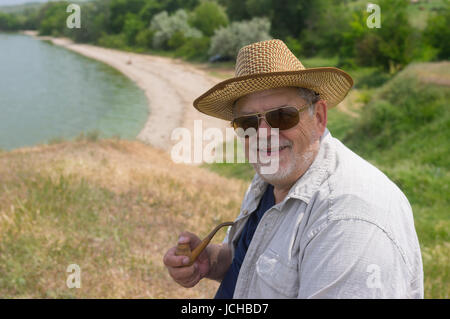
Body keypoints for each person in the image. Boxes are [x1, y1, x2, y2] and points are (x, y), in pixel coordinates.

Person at [163, 39, 423, 298]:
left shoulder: (349, 220)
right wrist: (214, 260)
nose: (263, 134)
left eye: (282, 116)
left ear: (319, 118)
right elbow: (256, 262)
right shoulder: (276, 179)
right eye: (248, 123)